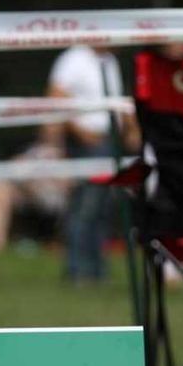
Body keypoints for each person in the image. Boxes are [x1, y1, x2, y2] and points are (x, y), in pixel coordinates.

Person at [45, 45, 139, 282]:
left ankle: (97, 270)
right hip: (88, 144)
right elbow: (56, 97)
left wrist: (129, 130)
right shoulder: (74, 58)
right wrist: (81, 133)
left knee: (102, 209)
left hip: (110, 144)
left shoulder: (109, 61)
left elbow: (117, 102)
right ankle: (78, 270)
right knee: (85, 208)